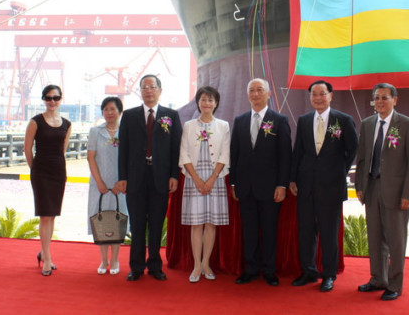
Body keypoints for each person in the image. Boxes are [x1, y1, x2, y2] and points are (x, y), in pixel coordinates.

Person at [289, 80, 358, 292]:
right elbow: (298, 152)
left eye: (322, 93)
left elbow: (353, 149)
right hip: (306, 186)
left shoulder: (343, 120)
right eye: (314, 94)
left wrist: (339, 171)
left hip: (331, 187)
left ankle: (328, 275)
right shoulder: (304, 120)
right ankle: (308, 271)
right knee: (306, 232)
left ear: (331, 96)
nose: (318, 98)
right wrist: (293, 179)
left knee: (329, 234)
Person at [354, 82, 409, 301]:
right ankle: (378, 279)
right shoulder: (367, 124)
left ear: (395, 100)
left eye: (384, 97)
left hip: (396, 191)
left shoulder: (407, 125)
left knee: (396, 240)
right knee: (375, 238)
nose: (380, 102)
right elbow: (362, 158)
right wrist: (360, 186)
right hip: (372, 188)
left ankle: (394, 285)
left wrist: (408, 193)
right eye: (376, 98)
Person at [116, 74, 182, 281]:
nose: (148, 90)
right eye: (144, 87)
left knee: (156, 224)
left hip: (160, 178)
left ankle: (155, 265)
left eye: (152, 87)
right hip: (135, 178)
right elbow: (123, 150)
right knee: (137, 225)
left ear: (160, 90)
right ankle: (136, 267)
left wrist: (174, 175)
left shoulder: (171, 116)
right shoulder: (129, 115)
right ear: (140, 91)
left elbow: (176, 149)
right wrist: (122, 177)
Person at [230, 78, 291, 286]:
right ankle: (251, 269)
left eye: (260, 90)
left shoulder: (279, 120)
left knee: (269, 230)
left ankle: (269, 270)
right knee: (248, 230)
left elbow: (285, 155)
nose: (255, 94)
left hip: (270, 187)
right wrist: (234, 183)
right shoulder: (240, 120)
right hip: (245, 187)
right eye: (252, 90)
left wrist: (282, 184)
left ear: (269, 94)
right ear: (248, 94)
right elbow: (235, 153)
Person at [179, 86, 231, 283]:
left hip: (215, 179)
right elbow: (184, 153)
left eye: (210, 100)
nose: (206, 103)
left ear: (216, 103)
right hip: (194, 179)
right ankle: (196, 265)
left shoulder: (223, 126)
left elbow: (225, 154)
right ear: (198, 103)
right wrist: (196, 179)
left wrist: (211, 179)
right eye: (203, 100)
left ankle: (206, 263)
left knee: (210, 224)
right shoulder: (189, 126)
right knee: (196, 224)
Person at [24, 84, 72, 276]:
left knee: (52, 215)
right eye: (49, 98)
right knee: (44, 215)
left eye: (56, 98)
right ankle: (48, 258)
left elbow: (63, 150)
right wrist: (34, 169)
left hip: (58, 171)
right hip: (41, 172)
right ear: (44, 99)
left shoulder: (67, 124)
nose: (52, 101)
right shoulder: (35, 121)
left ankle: (44, 253)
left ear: (61, 99)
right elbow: (27, 149)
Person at [87, 96, 128, 275]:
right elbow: (91, 158)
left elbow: (130, 158)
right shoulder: (95, 131)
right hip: (99, 184)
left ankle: (115, 259)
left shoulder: (126, 131)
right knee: (102, 219)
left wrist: (123, 181)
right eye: (106, 109)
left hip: (121, 184)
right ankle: (104, 260)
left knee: (118, 219)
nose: (109, 113)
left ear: (120, 111)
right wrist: (99, 182)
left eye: (113, 109)